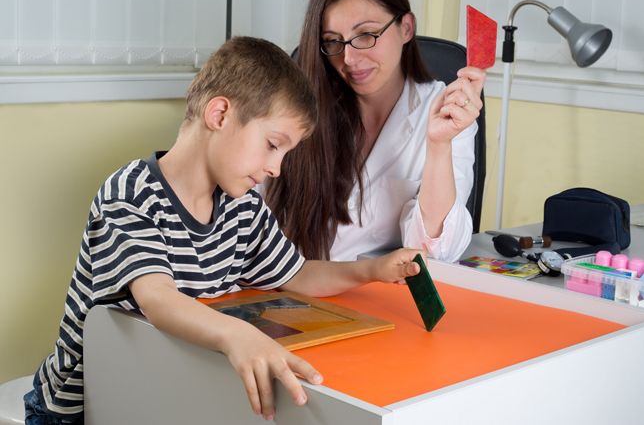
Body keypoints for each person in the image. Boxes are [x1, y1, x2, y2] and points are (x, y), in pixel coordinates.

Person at [24, 36, 423, 424]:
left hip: (169, 389)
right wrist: (239, 336)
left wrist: (371, 270)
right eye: (272, 144)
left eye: (285, 153)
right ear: (219, 115)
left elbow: (297, 273)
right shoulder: (129, 195)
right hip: (82, 406)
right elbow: (158, 299)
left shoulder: (243, 206)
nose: (276, 168)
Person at [264, 0, 485, 262]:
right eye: (333, 41)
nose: (350, 58)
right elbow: (250, 213)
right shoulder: (300, 104)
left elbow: (437, 251)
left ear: (406, 27)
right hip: (282, 287)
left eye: (366, 35)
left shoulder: (444, 112)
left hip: (372, 298)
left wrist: (437, 144)